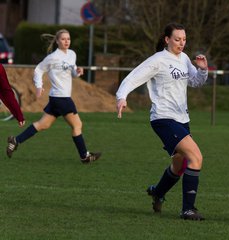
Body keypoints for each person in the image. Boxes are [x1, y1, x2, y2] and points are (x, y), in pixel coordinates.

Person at [116, 23, 208, 220]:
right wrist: (121, 97)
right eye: (177, 39)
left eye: (184, 39)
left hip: (182, 118)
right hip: (163, 118)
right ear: (167, 39)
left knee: (179, 165)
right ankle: (188, 209)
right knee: (196, 157)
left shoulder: (183, 58)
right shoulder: (158, 60)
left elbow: (195, 82)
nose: (181, 43)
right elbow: (132, 78)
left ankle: (158, 192)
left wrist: (202, 70)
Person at [6, 29, 101, 163]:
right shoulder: (52, 58)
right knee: (77, 125)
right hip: (61, 98)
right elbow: (38, 70)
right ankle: (84, 156)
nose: (66, 41)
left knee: (42, 124)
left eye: (68, 39)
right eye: (63, 39)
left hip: (58, 98)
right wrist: (39, 86)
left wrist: (77, 72)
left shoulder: (72, 54)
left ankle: (15, 141)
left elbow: (72, 73)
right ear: (57, 41)